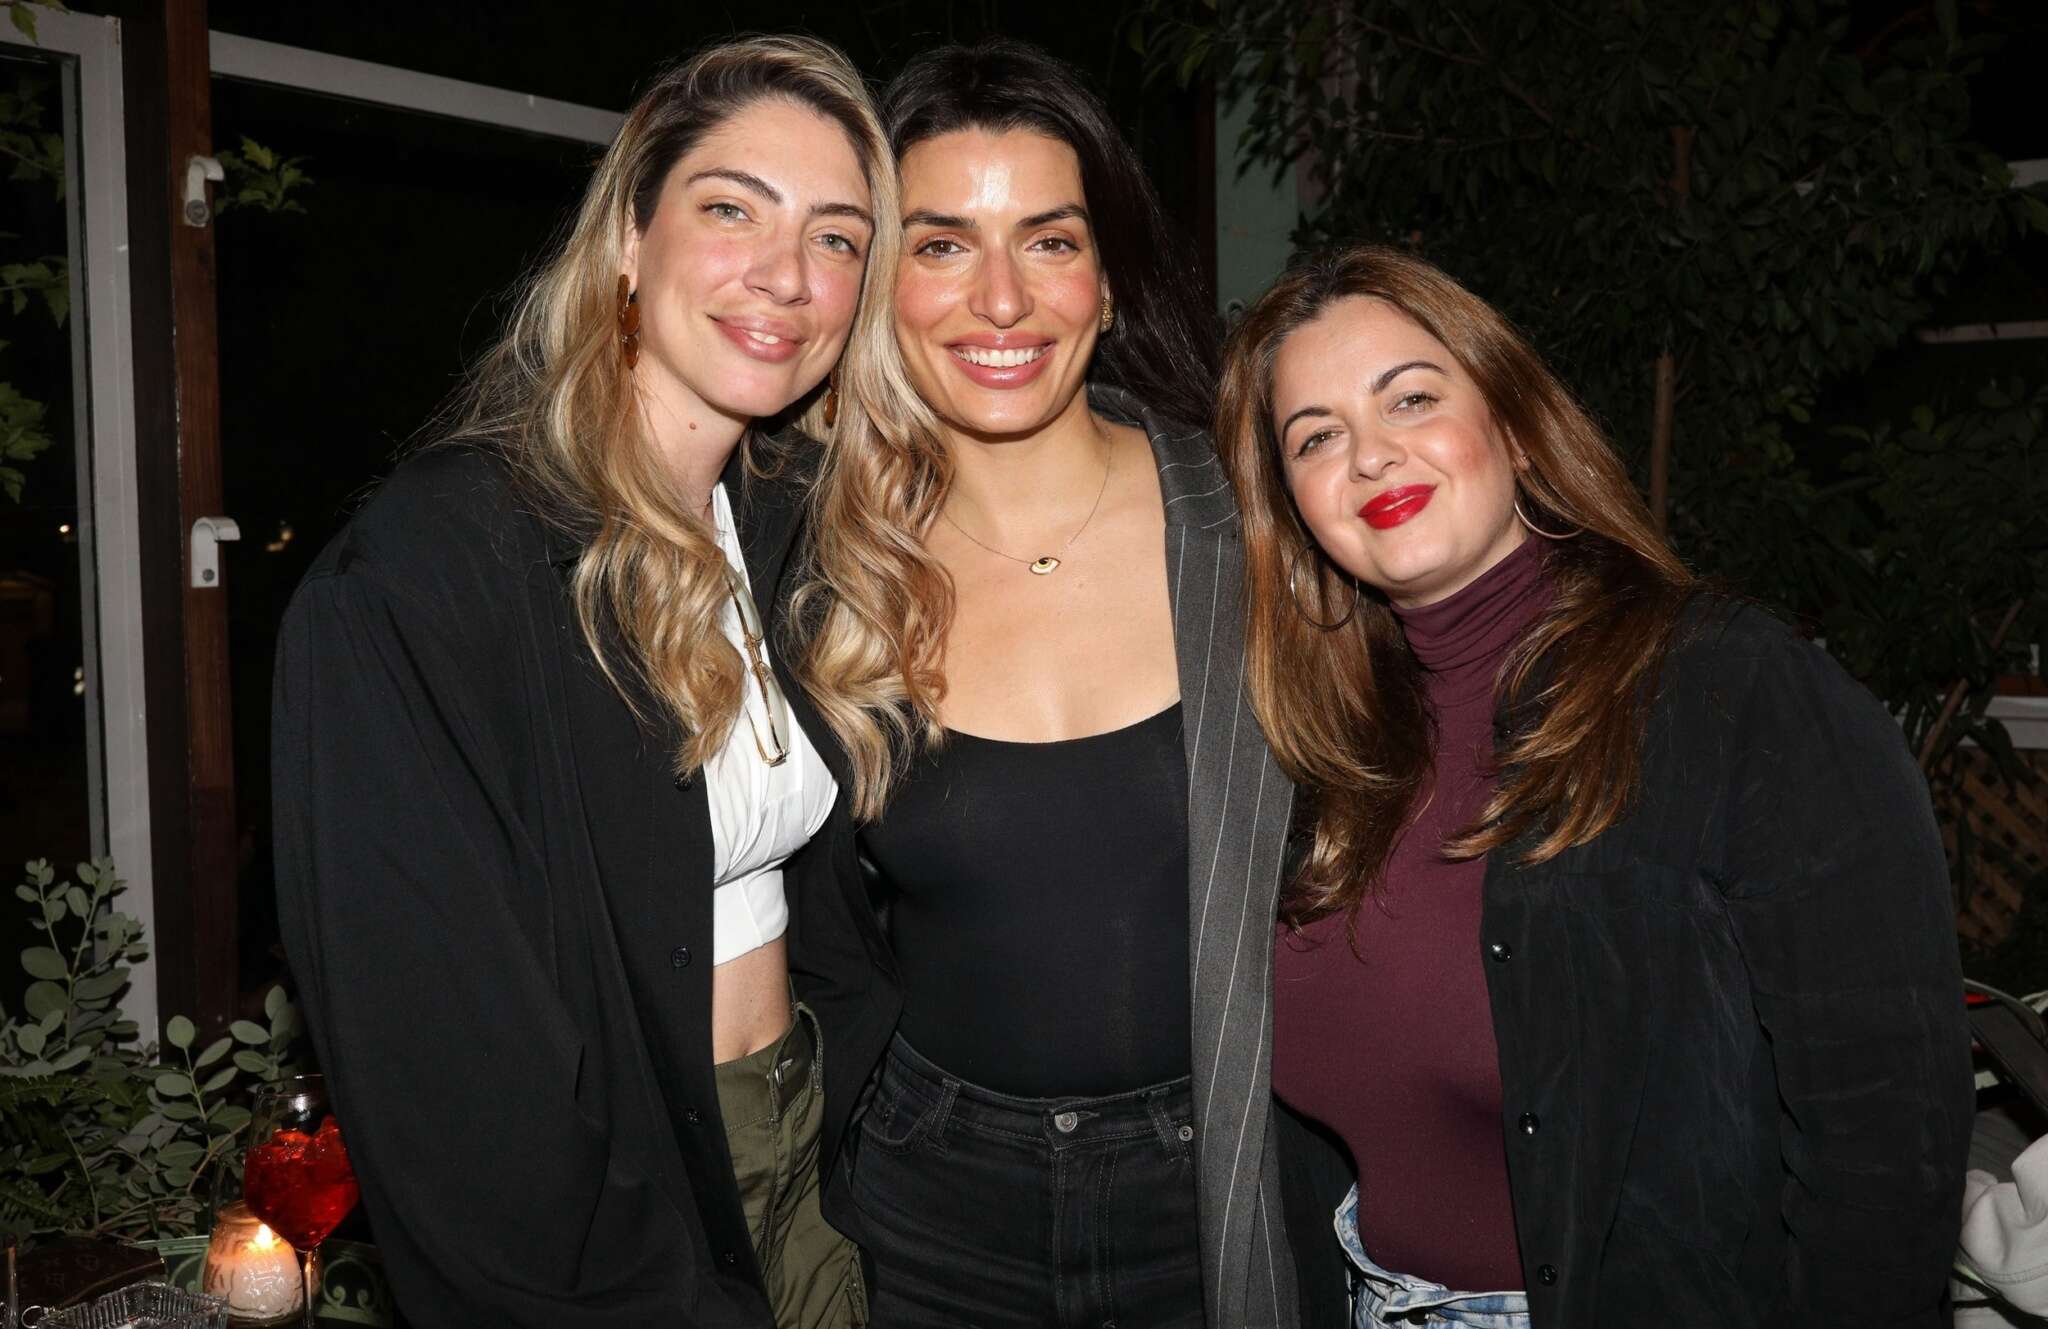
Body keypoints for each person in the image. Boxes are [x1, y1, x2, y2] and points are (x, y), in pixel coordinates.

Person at [1211, 244, 1974, 1327]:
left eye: (1411, 398)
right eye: (1316, 437)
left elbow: (1885, 1141)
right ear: (1291, 507)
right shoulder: (1317, 754)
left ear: (1517, 425)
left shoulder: (1732, 692)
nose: (1371, 456)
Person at [270, 37, 901, 1329]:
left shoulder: (782, 524)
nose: (788, 274)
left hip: (810, 1163)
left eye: (837, 237)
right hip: (627, 1227)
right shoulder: (435, 569)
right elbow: (458, 1098)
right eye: (731, 210)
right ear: (627, 237)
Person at [788, 38, 1320, 1329]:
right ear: (876, 283)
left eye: (1049, 240)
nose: (1001, 300)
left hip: (1226, 1177)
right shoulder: (816, 568)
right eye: (942, 244)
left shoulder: (1263, 521)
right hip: (924, 1200)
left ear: (1110, 277)